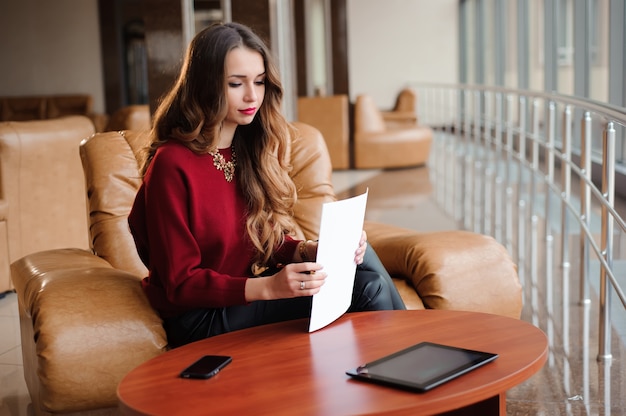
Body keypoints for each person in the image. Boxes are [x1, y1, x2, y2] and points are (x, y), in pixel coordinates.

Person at [128, 21, 405, 348]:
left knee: (359, 256)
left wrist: (306, 249)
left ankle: (411, 355)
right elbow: (180, 283)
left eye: (259, 82)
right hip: (200, 316)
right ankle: (408, 360)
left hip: (245, 295)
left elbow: (259, 238)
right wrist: (270, 288)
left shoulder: (247, 149)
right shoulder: (172, 164)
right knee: (366, 287)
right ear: (205, 85)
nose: (252, 96)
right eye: (235, 83)